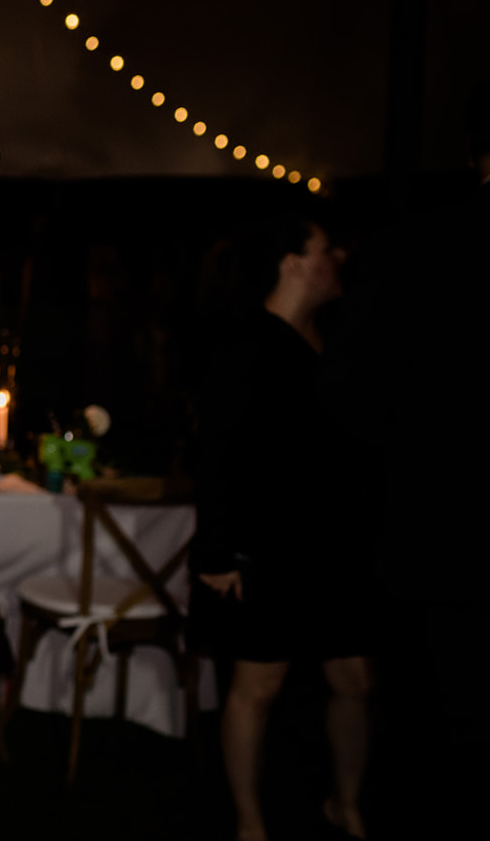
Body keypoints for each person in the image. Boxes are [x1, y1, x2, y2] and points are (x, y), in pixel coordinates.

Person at [190, 213, 375, 841]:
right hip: (267, 549)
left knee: (355, 679)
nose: (339, 258)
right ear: (291, 263)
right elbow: (215, 455)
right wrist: (217, 554)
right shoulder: (246, 346)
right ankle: (250, 823)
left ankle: (346, 806)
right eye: (326, 250)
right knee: (259, 686)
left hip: (335, 549)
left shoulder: (335, 338)